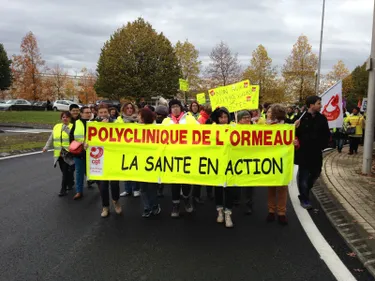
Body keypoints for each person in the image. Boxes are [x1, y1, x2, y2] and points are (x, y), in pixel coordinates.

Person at [162, 99, 198, 218]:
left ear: (181, 108)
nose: (175, 109)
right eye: (173, 107)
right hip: (172, 156)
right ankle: (175, 204)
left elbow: (201, 132)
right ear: (170, 109)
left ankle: (186, 200)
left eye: (177, 106)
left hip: (187, 155)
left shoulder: (189, 119)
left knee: (186, 182)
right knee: (175, 183)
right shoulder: (166, 121)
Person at [295, 96, 330, 209]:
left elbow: (326, 134)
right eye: (319, 103)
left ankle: (305, 189)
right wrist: (294, 127)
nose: (321, 105)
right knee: (303, 176)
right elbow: (291, 133)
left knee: (316, 173)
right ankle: (304, 198)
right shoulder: (300, 118)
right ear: (311, 105)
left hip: (316, 152)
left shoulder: (322, 119)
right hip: (303, 152)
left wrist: (323, 146)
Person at [91, 104, 122, 217]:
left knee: (114, 184)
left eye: (105, 112)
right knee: (103, 186)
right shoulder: (93, 125)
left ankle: (116, 202)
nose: (103, 114)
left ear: (108, 113)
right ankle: (105, 207)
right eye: (101, 112)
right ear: (97, 113)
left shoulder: (115, 123)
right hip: (100, 159)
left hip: (113, 157)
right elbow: (89, 139)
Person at [265, 104, 290, 225]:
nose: (267, 113)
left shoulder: (287, 128)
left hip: (283, 160)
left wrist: (295, 143)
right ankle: (271, 210)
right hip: (270, 160)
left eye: (269, 112)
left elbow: (294, 142)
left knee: (282, 187)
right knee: (271, 187)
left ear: (275, 114)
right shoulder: (265, 127)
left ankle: (281, 212)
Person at [210, 107, 235, 228]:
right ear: (218, 118)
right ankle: (219, 211)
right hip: (217, 163)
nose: (223, 119)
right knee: (218, 188)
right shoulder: (213, 128)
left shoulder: (234, 128)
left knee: (229, 189)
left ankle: (228, 213)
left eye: (225, 117)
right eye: (221, 117)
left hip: (230, 163)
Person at [43, 111, 74, 196]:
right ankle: (70, 182)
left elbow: (74, 138)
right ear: (61, 118)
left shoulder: (72, 127)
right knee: (64, 171)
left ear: (70, 118)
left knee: (65, 171)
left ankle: (63, 189)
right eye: (63, 117)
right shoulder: (56, 126)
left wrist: (66, 129)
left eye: (67, 117)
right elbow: (51, 137)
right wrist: (46, 147)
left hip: (68, 153)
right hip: (59, 153)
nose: (65, 118)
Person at [137, 108, 162, 218]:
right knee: (143, 187)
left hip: (152, 162)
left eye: (139, 115)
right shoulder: (135, 129)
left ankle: (154, 205)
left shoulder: (156, 129)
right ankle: (147, 207)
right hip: (139, 162)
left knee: (151, 187)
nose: (138, 117)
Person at [117, 102, 141, 197]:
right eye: (127, 108)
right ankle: (127, 189)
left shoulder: (138, 120)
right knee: (125, 169)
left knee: (135, 168)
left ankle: (136, 189)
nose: (129, 110)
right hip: (124, 149)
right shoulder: (119, 120)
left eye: (131, 108)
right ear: (123, 110)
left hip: (135, 148)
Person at [69, 106, 92, 200]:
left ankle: (99, 187)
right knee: (79, 173)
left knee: (94, 171)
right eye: (86, 112)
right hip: (79, 152)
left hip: (93, 153)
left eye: (90, 112)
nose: (89, 114)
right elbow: (71, 137)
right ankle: (79, 191)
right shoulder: (76, 123)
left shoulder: (94, 123)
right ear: (81, 114)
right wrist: (78, 145)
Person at [236, 110, 254, 215]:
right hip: (237, 159)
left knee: (249, 184)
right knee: (237, 182)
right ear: (240, 119)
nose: (247, 119)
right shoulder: (233, 128)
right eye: (245, 117)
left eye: (248, 117)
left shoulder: (254, 128)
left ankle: (248, 204)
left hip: (250, 159)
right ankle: (236, 199)